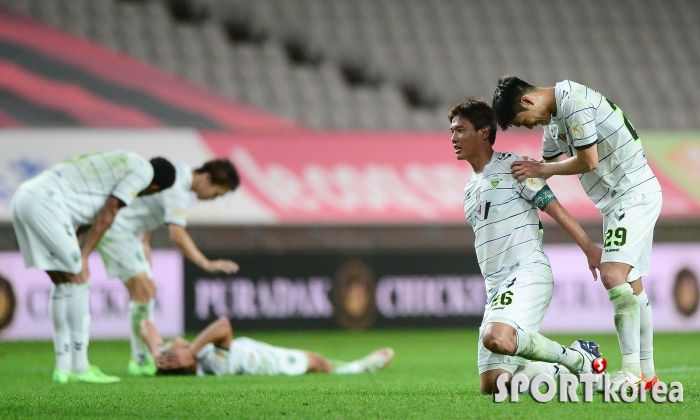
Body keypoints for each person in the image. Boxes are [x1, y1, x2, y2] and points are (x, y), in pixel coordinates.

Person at [492, 76, 662, 390]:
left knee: (613, 275)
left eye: (524, 122)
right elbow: (547, 161)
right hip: (617, 203)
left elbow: (588, 160)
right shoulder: (554, 120)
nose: (530, 127)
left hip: (633, 193)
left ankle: (631, 372)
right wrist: (529, 170)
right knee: (633, 286)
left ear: (528, 101)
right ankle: (648, 374)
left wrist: (541, 170)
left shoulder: (574, 101)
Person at [449, 98, 605, 394]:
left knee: (496, 338)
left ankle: (578, 359)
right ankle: (561, 369)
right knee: (495, 385)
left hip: (527, 272)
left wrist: (588, 247)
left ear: (483, 132)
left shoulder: (514, 167)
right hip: (496, 287)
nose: (453, 138)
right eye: (452, 132)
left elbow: (554, 207)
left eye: (460, 130)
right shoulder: (470, 189)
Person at [11, 151, 176, 384]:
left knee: (62, 282)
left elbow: (86, 221)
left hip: (24, 198)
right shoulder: (143, 173)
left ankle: (62, 368)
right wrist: (85, 255)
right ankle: (80, 368)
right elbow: (109, 211)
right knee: (80, 279)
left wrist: (78, 250)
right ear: (155, 187)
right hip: (45, 203)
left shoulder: (119, 166)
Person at [96, 158, 241, 376]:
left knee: (147, 293)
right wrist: (207, 263)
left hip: (131, 234)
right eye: (216, 193)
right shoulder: (178, 188)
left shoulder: (178, 178)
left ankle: (142, 358)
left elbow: (146, 209)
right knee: (144, 292)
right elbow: (177, 234)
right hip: (118, 231)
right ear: (207, 177)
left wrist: (145, 244)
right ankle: (141, 360)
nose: (213, 199)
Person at [140, 317, 395, 377]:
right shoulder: (214, 366)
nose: (177, 342)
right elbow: (224, 325)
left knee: (316, 360)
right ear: (189, 362)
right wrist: (192, 349)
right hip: (260, 361)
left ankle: (351, 365)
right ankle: (357, 368)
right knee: (317, 362)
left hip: (247, 347)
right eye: (177, 347)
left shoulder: (167, 359)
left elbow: (145, 324)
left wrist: (154, 352)